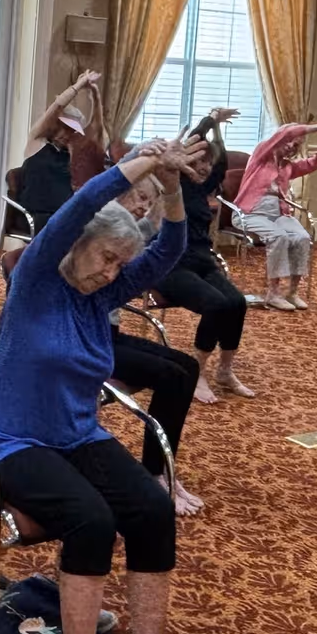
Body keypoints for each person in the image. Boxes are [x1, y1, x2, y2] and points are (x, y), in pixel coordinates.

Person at [0, 137, 211, 634]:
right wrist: (148, 159)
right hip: (11, 440)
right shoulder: (38, 283)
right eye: (105, 258)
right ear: (76, 248)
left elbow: (172, 248)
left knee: (153, 508)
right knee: (92, 522)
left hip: (76, 434)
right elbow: (83, 206)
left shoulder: (100, 294)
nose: (112, 272)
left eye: (118, 266)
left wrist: (174, 188)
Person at [109, 170, 207, 514]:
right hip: (84, 340)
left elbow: (161, 232)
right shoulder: (99, 229)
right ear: (119, 193)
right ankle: (155, 470)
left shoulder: (127, 229)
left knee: (188, 366)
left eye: (149, 199)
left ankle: (160, 467)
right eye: (139, 196)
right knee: (172, 375)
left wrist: (169, 190)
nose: (144, 205)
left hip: (109, 334)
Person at [155, 108, 254, 402]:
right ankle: (196, 374)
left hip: (201, 261)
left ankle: (225, 370)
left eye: (207, 163)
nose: (204, 167)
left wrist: (219, 130)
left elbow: (221, 162)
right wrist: (210, 120)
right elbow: (197, 138)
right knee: (216, 305)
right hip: (170, 265)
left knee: (236, 302)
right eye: (199, 161)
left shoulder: (203, 187)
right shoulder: (177, 183)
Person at [231, 111, 317, 311]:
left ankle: (292, 292)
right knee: (279, 236)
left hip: (279, 214)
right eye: (290, 141)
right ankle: (273, 293)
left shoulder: (288, 167)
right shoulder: (261, 156)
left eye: (296, 145)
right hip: (250, 212)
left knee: (301, 237)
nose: (291, 146)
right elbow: (286, 133)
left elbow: (315, 162)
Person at [13, 70, 111, 225]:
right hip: (37, 217)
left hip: (65, 214)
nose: (67, 134)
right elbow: (57, 106)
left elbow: (98, 130)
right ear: (54, 125)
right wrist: (78, 86)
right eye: (64, 127)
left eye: (72, 130)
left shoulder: (73, 153)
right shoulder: (37, 141)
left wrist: (95, 95)